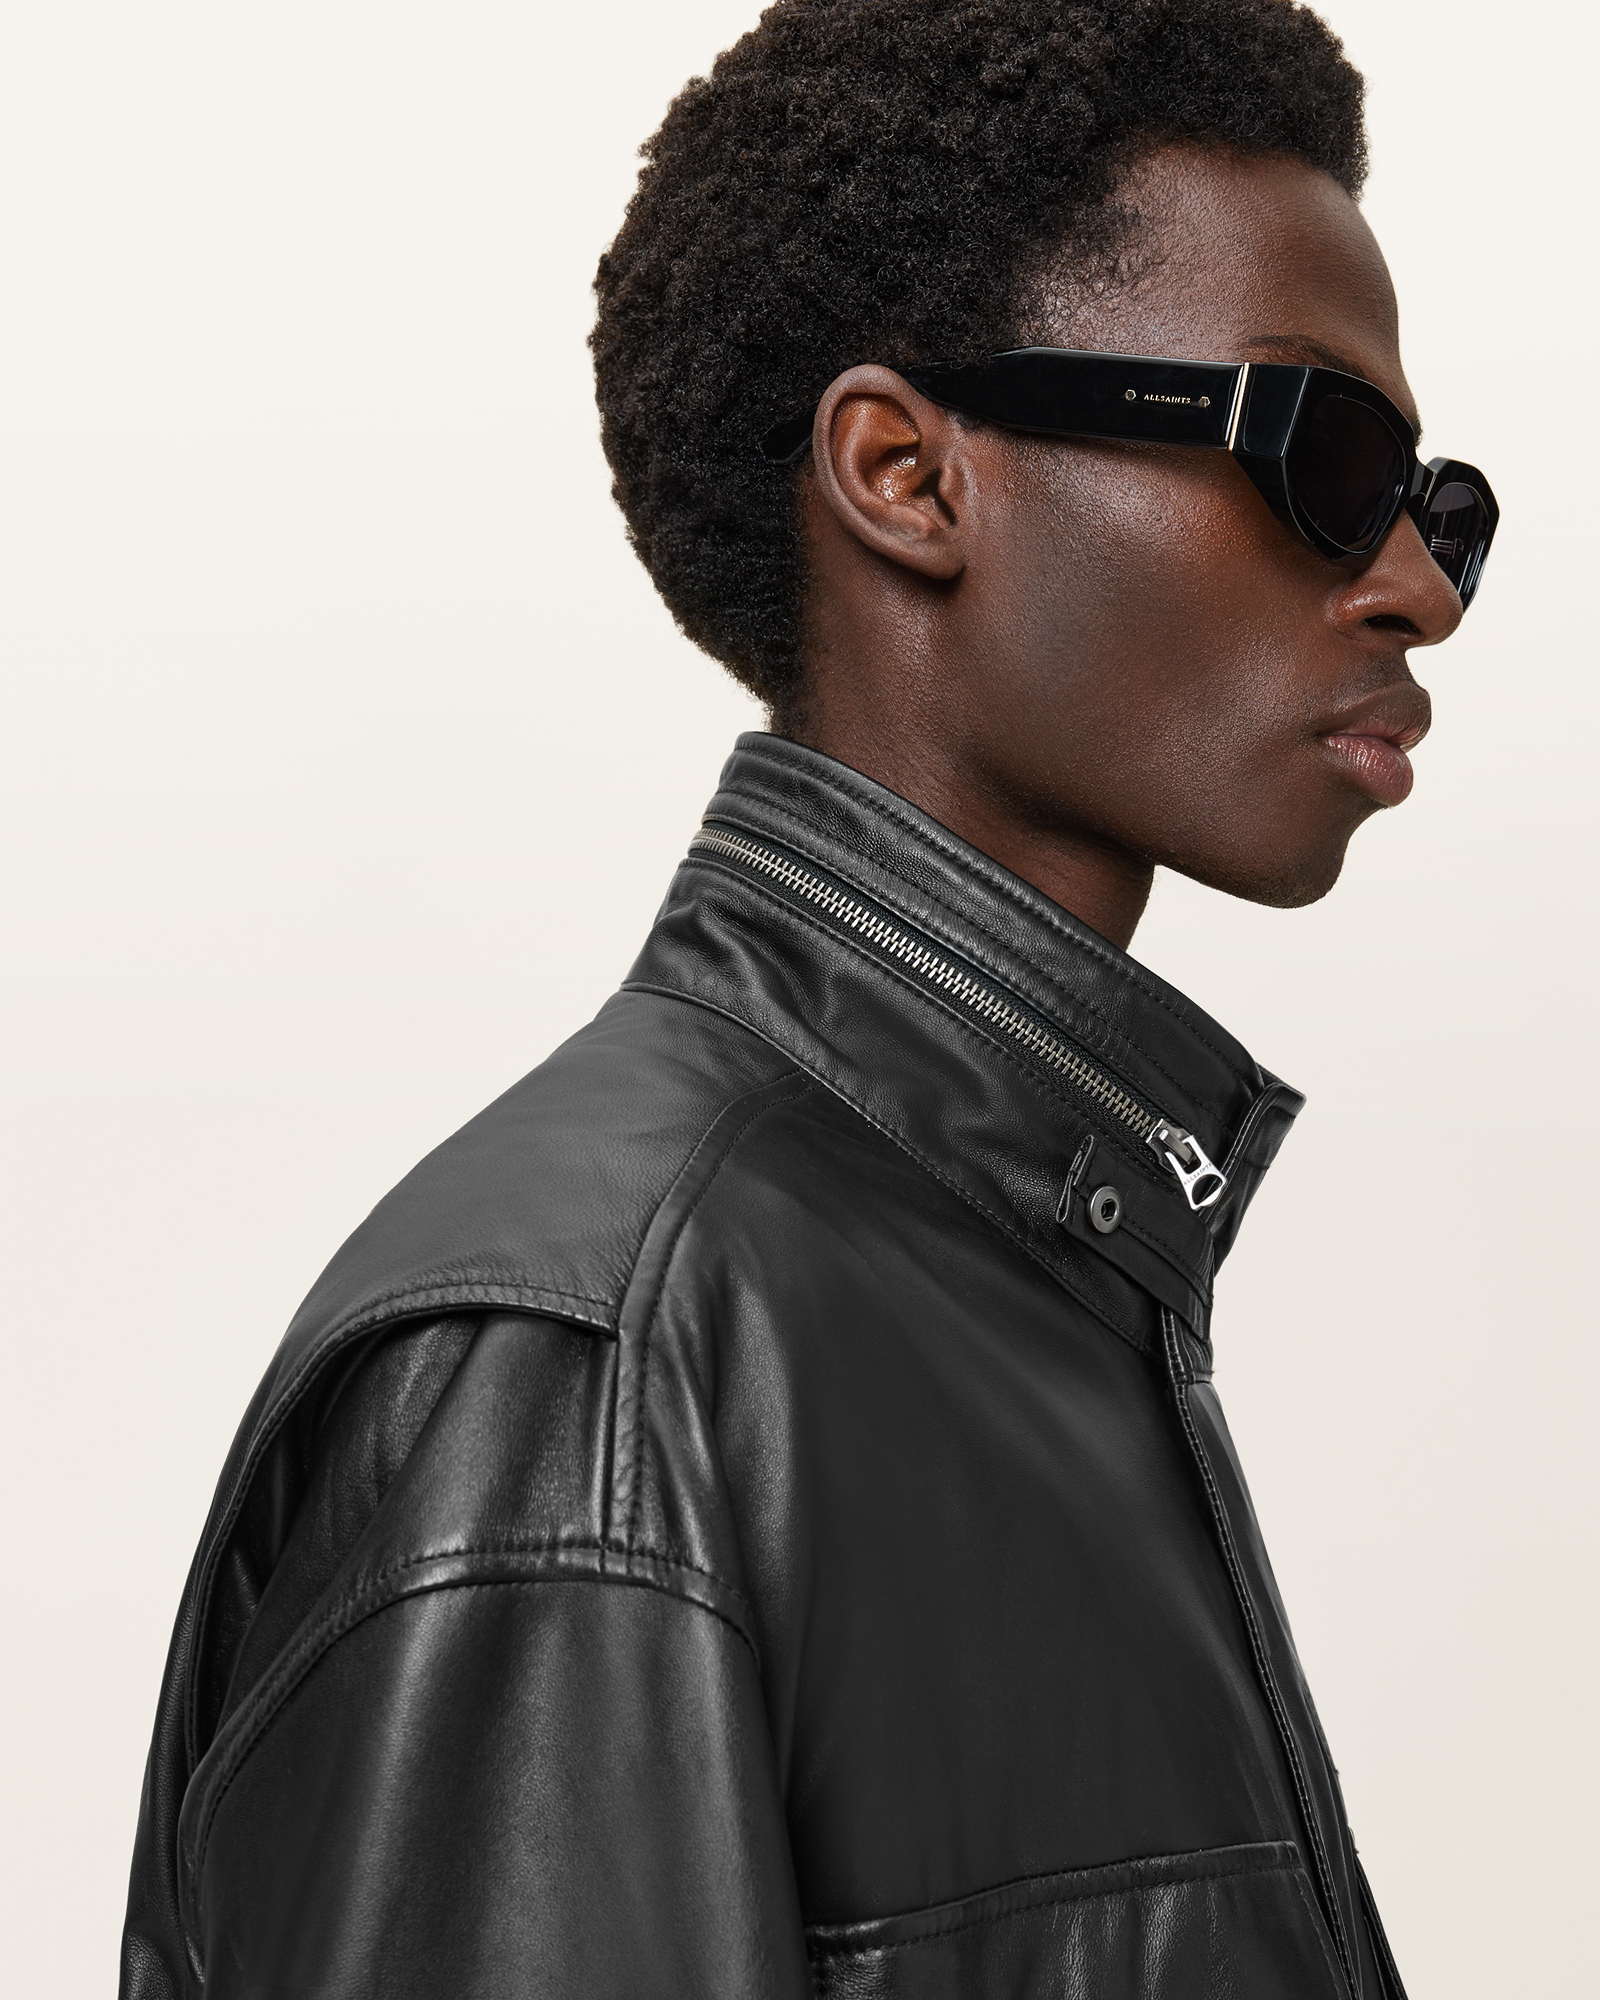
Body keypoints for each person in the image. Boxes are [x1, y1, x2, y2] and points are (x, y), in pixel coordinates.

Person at [120, 3, 1498, 1995]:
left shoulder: (1019, 1262)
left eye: (1438, 506)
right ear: (902, 474)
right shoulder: (597, 1375)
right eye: (1324, 458)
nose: (1418, 587)